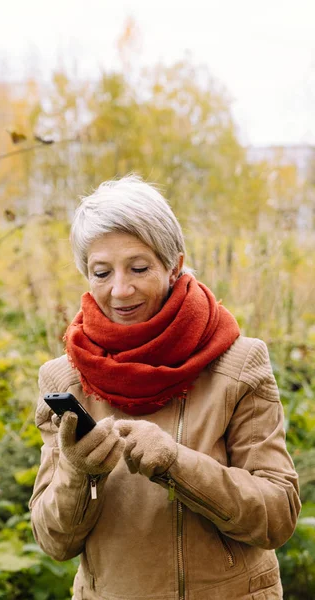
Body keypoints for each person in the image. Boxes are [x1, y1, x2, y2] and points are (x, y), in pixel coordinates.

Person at [29, 175, 300, 600]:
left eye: (139, 268)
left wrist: (177, 464)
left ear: (174, 265)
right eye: (102, 272)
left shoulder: (238, 363)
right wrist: (78, 473)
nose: (120, 289)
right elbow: (54, 540)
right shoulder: (64, 378)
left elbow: (277, 515)